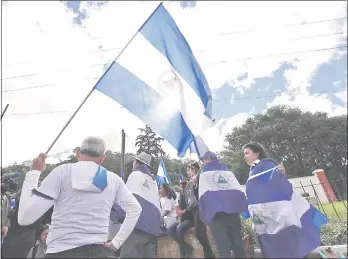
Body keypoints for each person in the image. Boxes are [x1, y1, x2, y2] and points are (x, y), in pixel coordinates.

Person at [17, 136, 142, 258]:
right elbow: (135, 209)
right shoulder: (114, 180)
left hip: (60, 251)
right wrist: (116, 243)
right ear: (103, 158)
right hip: (98, 252)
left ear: (77, 152)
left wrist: (34, 173)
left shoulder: (62, 172)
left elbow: (25, 218)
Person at [243, 142, 327, 258]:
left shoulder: (266, 162)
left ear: (257, 153)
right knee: (275, 239)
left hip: (275, 208)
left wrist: (280, 173)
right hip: (265, 212)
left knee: (286, 233)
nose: (245, 156)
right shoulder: (253, 169)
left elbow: (275, 178)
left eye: (247, 153)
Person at [110, 152, 162, 258]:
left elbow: (127, 202)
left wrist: (113, 210)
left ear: (137, 163)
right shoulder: (152, 181)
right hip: (152, 229)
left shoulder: (135, 175)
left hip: (137, 226)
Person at [199, 151, 248, 258]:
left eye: (203, 160)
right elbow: (238, 192)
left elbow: (203, 198)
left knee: (223, 251)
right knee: (239, 248)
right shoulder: (228, 172)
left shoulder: (205, 174)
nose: (203, 163)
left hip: (217, 217)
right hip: (233, 214)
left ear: (208, 159)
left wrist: (205, 216)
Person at [186, 161, 215, 259]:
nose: (187, 172)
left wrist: (196, 183)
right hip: (194, 209)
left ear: (194, 169)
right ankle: (208, 255)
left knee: (198, 233)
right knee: (202, 233)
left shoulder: (200, 178)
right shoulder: (190, 180)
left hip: (201, 208)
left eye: (188, 169)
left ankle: (210, 252)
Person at [167, 180, 195, 258]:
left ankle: (182, 251)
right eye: (181, 186)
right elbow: (179, 207)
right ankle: (187, 247)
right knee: (170, 230)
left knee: (179, 228)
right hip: (182, 219)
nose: (181, 188)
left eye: (183, 186)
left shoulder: (191, 195)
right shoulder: (181, 196)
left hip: (190, 219)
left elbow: (194, 207)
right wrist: (178, 210)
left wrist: (184, 210)